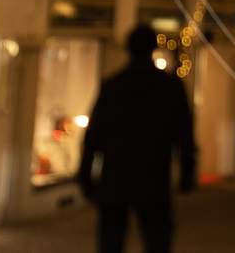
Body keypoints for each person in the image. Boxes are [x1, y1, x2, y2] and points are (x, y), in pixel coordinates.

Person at [77, 26, 197, 253]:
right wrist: (187, 172)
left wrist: (85, 175)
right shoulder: (170, 87)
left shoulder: (113, 86)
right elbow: (184, 134)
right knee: (156, 239)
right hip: (154, 174)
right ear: (154, 48)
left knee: (111, 240)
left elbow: (93, 135)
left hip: (115, 173)